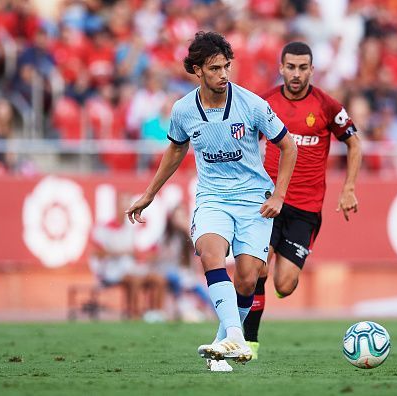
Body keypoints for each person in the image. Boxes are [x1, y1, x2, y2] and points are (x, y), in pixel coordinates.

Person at [125, 31, 297, 371]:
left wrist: (279, 194)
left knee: (249, 278)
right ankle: (236, 334)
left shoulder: (252, 104)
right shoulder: (183, 110)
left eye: (226, 67)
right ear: (197, 70)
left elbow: (288, 146)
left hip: (254, 200)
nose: (223, 74)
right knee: (209, 252)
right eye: (215, 68)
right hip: (213, 198)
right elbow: (175, 149)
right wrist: (149, 193)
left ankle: (222, 344)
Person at [242, 42, 362, 361]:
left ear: (311, 69)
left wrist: (349, 187)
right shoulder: (263, 103)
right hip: (267, 201)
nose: (296, 74)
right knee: (255, 268)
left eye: (302, 67)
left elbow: (354, 144)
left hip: (305, 209)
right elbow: (245, 145)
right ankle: (249, 342)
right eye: (290, 67)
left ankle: (278, 284)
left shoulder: (326, 106)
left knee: (285, 283)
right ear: (281, 68)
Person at [90, 192, 166, 320]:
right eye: (123, 203)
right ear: (116, 206)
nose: (126, 206)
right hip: (111, 270)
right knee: (135, 280)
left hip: (129, 268)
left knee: (158, 279)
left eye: (128, 203)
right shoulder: (104, 228)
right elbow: (97, 254)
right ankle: (134, 314)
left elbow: (135, 253)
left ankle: (155, 315)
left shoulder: (131, 228)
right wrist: (120, 252)